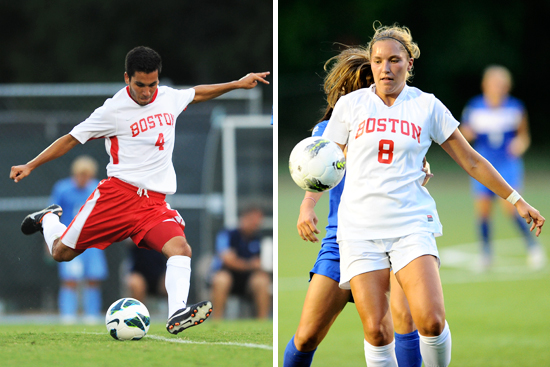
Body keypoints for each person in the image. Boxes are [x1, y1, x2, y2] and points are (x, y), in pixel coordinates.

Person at [321, 23, 544, 367]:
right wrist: (308, 203)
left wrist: (516, 199)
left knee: (431, 320)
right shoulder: (351, 106)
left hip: (411, 223)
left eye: (394, 60)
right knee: (378, 332)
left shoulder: (427, 106)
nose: (385, 68)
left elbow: (471, 160)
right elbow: (327, 163)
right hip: (359, 230)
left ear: (409, 63)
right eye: (378, 61)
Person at [10, 46, 270, 335]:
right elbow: (71, 139)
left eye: (153, 84)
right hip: (116, 198)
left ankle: (176, 314)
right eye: (140, 85)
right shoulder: (113, 110)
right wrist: (31, 165)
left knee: (181, 249)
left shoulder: (168, 97)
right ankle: (48, 219)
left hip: (153, 205)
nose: (147, 92)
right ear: (127, 78)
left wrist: (236, 84)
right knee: (61, 252)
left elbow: (197, 93)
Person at [283, 48, 426, 367]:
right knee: (306, 336)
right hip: (341, 242)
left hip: (395, 237)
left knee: (397, 325)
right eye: (362, 85)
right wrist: (307, 205)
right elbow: (317, 174)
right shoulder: (326, 133)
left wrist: (421, 173)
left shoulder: (399, 127)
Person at [461, 65, 546, 270]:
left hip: (507, 164)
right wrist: (467, 134)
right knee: (483, 209)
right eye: (493, 83)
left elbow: (524, 136)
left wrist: (520, 145)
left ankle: (533, 247)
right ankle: (486, 254)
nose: (497, 87)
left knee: (513, 207)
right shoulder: (474, 107)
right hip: (483, 164)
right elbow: (464, 134)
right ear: (485, 85)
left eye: (501, 84)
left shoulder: (515, 108)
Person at [51, 155, 107, 324]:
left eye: (86, 175)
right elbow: (53, 214)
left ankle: (92, 314)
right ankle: (68, 314)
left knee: (93, 278)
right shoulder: (62, 189)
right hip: (70, 240)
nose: (83, 179)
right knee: (70, 278)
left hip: (92, 241)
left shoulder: (98, 188)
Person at [210, 206, 271, 319]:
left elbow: (264, 262)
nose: (256, 223)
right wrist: (250, 264)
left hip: (250, 278)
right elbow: (227, 260)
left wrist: (241, 262)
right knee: (221, 280)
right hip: (228, 274)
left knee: (262, 281)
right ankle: (216, 320)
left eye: (258, 220)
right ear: (244, 218)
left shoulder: (259, 238)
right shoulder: (227, 234)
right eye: (253, 219)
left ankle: (263, 322)